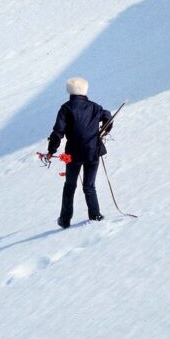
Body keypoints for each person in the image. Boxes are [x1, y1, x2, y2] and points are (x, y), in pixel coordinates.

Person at [45, 76, 114, 227]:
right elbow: (108, 117)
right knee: (89, 186)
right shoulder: (95, 107)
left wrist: (51, 150)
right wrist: (105, 130)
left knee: (70, 185)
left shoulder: (66, 108)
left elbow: (58, 132)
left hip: (73, 154)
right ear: (85, 90)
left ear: (69, 91)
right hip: (93, 151)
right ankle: (95, 215)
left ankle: (65, 220)